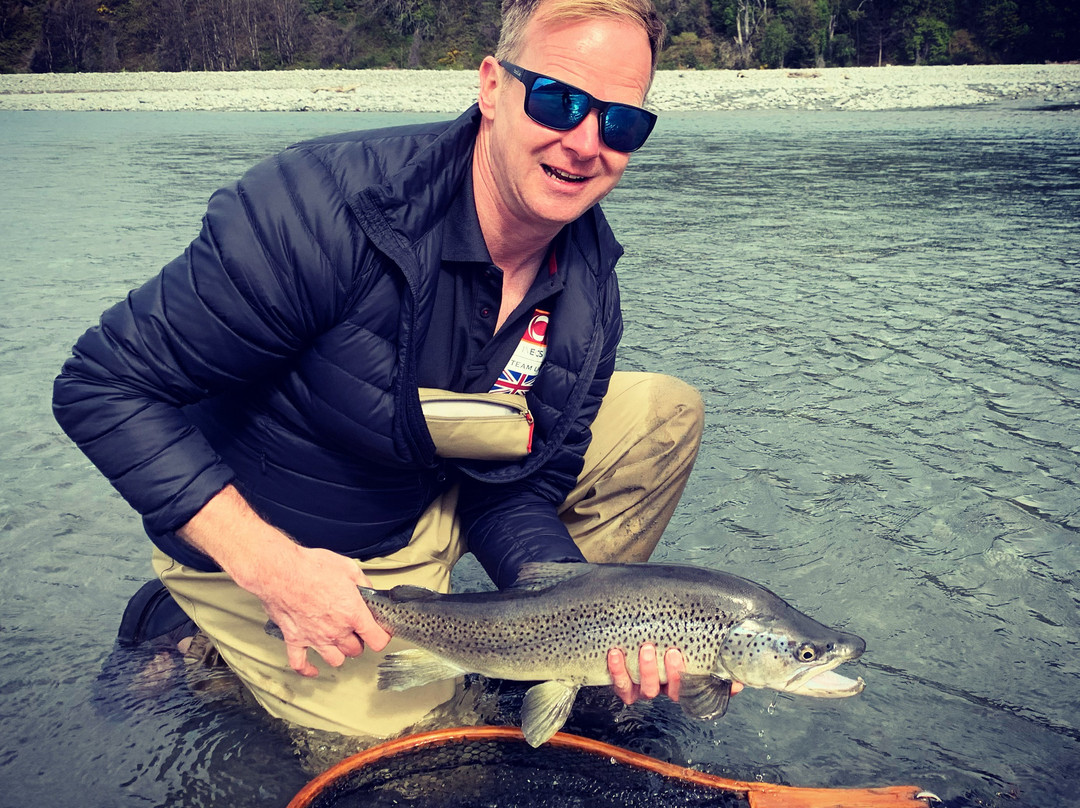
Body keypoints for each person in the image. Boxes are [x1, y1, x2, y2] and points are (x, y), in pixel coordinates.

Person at [54, 0, 715, 740]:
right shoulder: (320, 208)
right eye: (558, 100)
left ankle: (545, 655)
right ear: (492, 88)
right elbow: (101, 385)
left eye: (620, 122)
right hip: (293, 533)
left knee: (664, 410)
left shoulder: (590, 282)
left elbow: (521, 488)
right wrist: (271, 566)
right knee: (427, 772)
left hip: (428, 476)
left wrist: (585, 615)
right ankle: (197, 627)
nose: (586, 142)